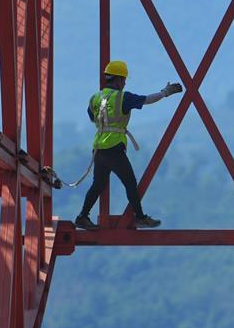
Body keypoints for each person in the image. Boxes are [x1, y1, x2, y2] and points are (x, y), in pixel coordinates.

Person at [74, 60, 183, 230]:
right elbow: (147, 100)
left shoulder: (95, 98)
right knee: (130, 183)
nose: (124, 83)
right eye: (124, 79)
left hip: (99, 149)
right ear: (118, 80)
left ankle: (82, 217)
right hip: (114, 147)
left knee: (98, 184)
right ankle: (139, 217)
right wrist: (165, 92)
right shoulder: (123, 97)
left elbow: (91, 117)